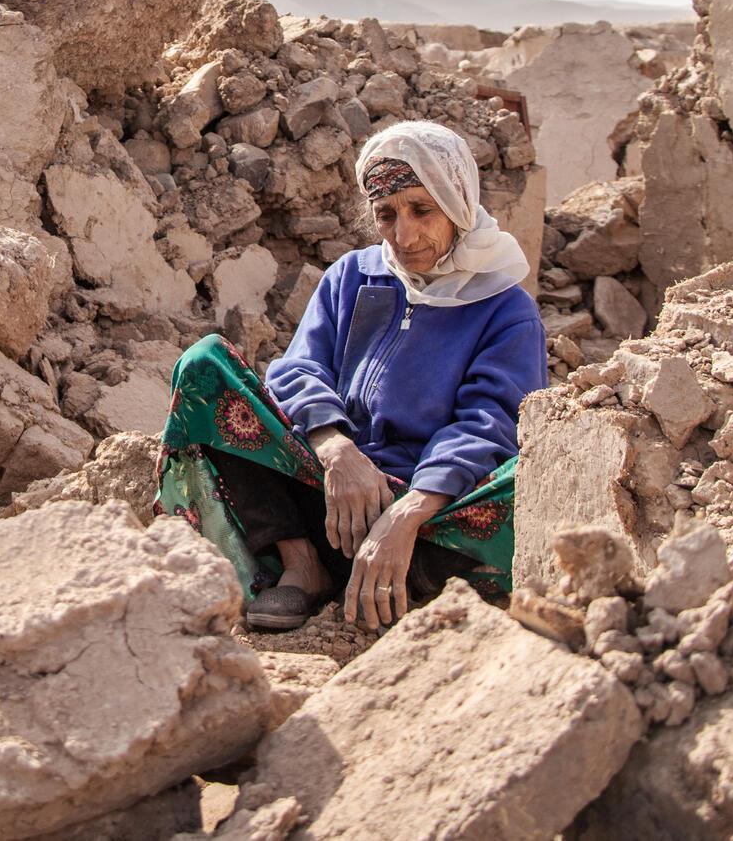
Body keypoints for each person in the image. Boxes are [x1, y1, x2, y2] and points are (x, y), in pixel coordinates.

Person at [156, 120, 546, 630]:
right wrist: (336, 448)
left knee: (531, 479)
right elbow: (299, 367)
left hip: (428, 518)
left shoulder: (506, 308)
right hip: (323, 493)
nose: (404, 236)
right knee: (206, 365)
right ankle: (302, 564)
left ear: (458, 203)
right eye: (386, 215)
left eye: (422, 210)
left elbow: (489, 422)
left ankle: (406, 578)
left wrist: (404, 516)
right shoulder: (354, 275)